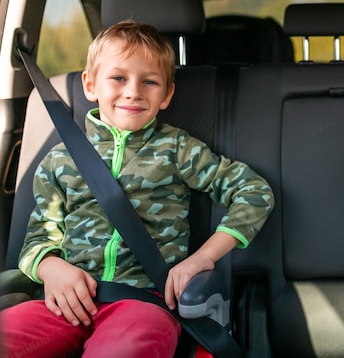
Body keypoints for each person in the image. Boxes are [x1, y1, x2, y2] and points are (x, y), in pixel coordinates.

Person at [0, 20, 275, 358]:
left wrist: (204, 256)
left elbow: (254, 191)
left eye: (150, 82)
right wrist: (49, 267)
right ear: (90, 85)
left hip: (144, 303)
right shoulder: (61, 159)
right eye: (118, 78)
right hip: (64, 301)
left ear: (167, 95)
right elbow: (37, 240)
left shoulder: (176, 148)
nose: (133, 91)